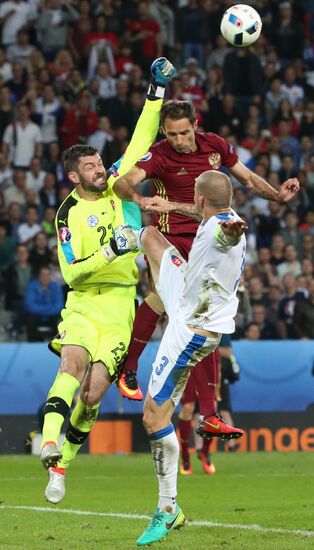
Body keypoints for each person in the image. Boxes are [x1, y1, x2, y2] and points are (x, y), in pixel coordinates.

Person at [114, 98, 299, 441]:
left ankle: (192, 404)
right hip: (171, 239)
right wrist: (140, 201)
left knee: (201, 319)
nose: (179, 140)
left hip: (207, 240)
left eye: (184, 133)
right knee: (174, 309)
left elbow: (245, 178)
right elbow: (123, 184)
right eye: (172, 134)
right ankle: (134, 371)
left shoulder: (215, 146)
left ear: (195, 124)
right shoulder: (159, 155)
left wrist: (276, 195)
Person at [39, 58, 175, 505]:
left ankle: (62, 468)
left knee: (95, 393)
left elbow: (141, 135)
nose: (102, 170)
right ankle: (48, 441)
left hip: (120, 305)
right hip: (82, 303)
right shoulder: (66, 215)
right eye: (93, 168)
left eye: (101, 163)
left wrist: (155, 90)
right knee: (71, 366)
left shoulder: (119, 183)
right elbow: (71, 271)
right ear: (74, 177)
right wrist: (110, 250)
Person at [130, 170, 247, 546]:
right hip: (186, 297)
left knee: (153, 415)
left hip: (193, 329)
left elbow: (226, 235)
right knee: (150, 236)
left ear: (199, 199)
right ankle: (120, 244)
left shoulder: (222, 229)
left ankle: (168, 509)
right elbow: (213, 221)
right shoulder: (214, 216)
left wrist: (234, 232)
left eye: (193, 196)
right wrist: (170, 206)